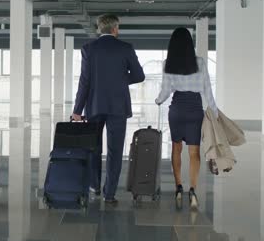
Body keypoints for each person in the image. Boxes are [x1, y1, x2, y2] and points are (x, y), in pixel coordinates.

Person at [72, 14, 145, 204]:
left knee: (93, 147)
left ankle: (94, 185)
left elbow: (84, 82)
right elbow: (139, 75)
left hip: (94, 105)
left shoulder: (89, 49)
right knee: (115, 150)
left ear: (99, 29)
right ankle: (109, 193)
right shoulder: (125, 48)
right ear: (115, 29)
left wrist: (77, 110)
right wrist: (120, 80)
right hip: (118, 107)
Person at [155, 27, 218, 210]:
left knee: (176, 148)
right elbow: (207, 89)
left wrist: (158, 100)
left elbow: (166, 90)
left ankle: (178, 187)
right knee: (194, 152)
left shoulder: (168, 63)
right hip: (194, 109)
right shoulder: (200, 62)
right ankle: (192, 189)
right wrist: (214, 111)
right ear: (190, 44)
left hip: (177, 109)